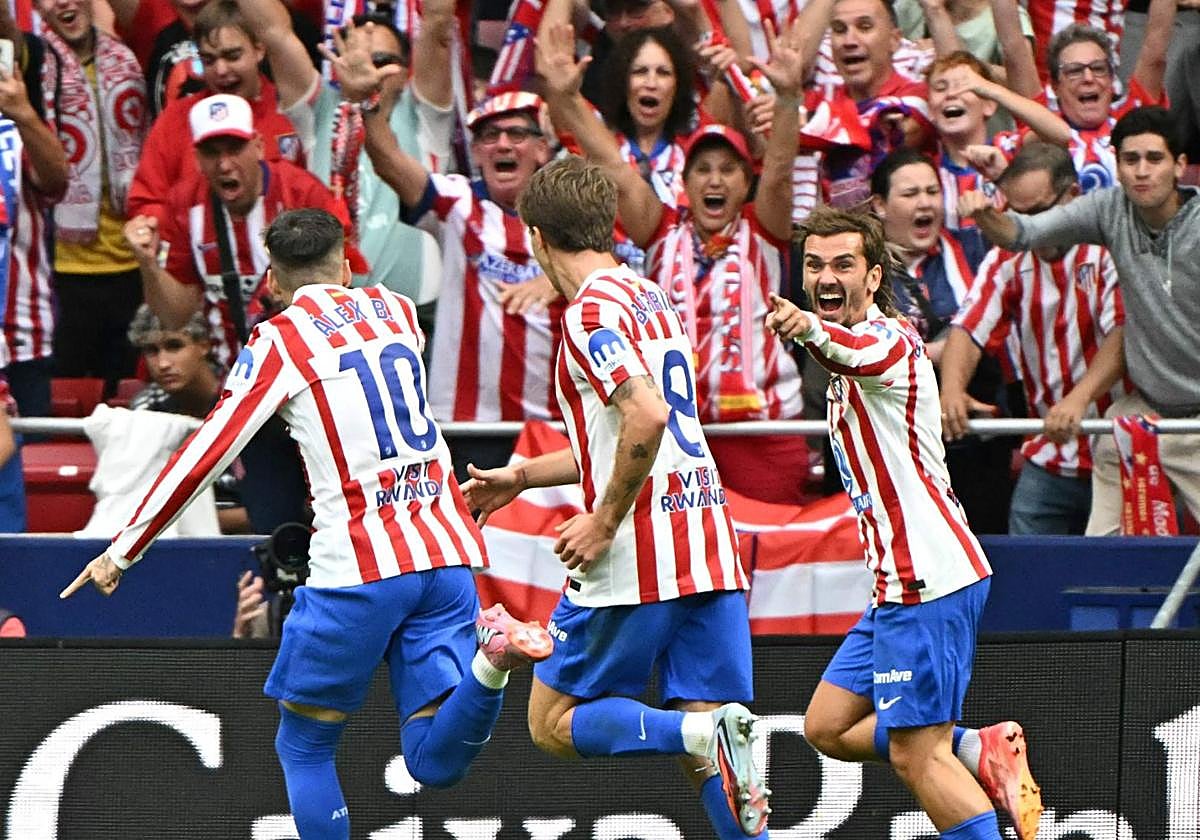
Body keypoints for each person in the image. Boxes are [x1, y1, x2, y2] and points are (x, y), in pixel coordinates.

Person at [60, 207, 555, 839]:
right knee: (432, 761)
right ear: (347, 266)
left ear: (270, 278)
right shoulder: (399, 312)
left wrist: (122, 550)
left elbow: (210, 448)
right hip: (446, 552)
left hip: (360, 565)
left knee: (305, 748)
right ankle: (491, 663)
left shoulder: (277, 340)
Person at [462, 155, 770, 839]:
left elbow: (645, 418)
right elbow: (622, 432)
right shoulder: (649, 295)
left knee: (550, 724)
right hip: (706, 539)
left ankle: (702, 734)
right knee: (716, 751)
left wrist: (602, 521)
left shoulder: (588, 314)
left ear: (538, 237)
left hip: (639, 549)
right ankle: (710, 735)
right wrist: (519, 478)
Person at [765, 206, 1042, 840]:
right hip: (898, 586)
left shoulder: (886, 341)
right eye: (814, 265)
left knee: (917, 755)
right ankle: (979, 748)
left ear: (872, 276)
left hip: (929, 579)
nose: (826, 276)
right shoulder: (846, 358)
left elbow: (845, 346)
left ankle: (962, 758)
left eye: (843, 264)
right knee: (827, 727)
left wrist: (806, 325)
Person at [539, 19, 809, 504]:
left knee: (775, 567)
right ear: (683, 182)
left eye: (729, 169)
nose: (715, 181)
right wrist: (567, 101)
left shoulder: (764, 228)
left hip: (762, 432)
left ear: (746, 183)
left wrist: (788, 101)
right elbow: (613, 169)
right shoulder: (661, 228)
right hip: (678, 431)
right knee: (680, 561)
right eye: (702, 169)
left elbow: (782, 172)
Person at [124, 92, 362, 533]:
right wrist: (146, 263)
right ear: (195, 157)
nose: (224, 163)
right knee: (274, 529)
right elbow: (176, 314)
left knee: (339, 521)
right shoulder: (185, 205)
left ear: (257, 145)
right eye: (211, 152)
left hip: (321, 390)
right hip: (253, 398)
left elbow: (350, 281)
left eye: (233, 148)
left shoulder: (301, 192)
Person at [959, 105, 1200, 535]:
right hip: (1145, 415)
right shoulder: (1109, 210)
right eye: (1130, 160)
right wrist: (984, 215)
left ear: (1180, 166)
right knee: (1106, 554)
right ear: (1117, 167)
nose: (1142, 172)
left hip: (1197, 424)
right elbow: (1023, 234)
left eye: (1154, 159)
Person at [942, 141, 1127, 535]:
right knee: (1032, 572)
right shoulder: (1007, 256)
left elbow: (1121, 339)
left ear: (1074, 196)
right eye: (1016, 214)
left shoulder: (1109, 250)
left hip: (1119, 448)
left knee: (1117, 579)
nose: (1028, 229)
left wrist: (1078, 400)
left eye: (1039, 214)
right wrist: (951, 391)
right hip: (1049, 453)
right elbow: (968, 328)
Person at [235, 0, 454, 315]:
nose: (367, 67)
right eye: (357, 57)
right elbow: (273, 32)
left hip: (417, 315)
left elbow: (437, 19)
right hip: (331, 314)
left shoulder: (426, 116)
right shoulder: (318, 108)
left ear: (407, 72)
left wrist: (367, 97)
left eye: (380, 59)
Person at [869, 148, 1013, 535]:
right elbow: (861, 347)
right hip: (894, 442)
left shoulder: (973, 247)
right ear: (880, 205)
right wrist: (944, 352)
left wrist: (1001, 181)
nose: (925, 202)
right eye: (911, 193)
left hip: (974, 439)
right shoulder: (858, 264)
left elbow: (999, 324)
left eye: (932, 192)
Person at [38, 0, 149, 398]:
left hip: (131, 261)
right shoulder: (33, 66)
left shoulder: (128, 58)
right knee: (65, 398)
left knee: (127, 397)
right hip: (64, 269)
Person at [126, 0, 303, 224]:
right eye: (208, 60)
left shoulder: (292, 112)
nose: (221, 70)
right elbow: (145, 203)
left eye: (232, 56)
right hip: (198, 253)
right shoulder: (177, 119)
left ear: (259, 49)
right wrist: (190, 228)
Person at [126, 304, 250, 535]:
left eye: (174, 346)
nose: (163, 363)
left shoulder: (243, 397)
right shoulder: (147, 406)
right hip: (172, 541)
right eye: (152, 351)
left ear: (204, 345)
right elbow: (136, 503)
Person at [0, 36, 69, 418]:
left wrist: (23, 113)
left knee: (25, 471)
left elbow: (57, 181)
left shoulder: (14, 129)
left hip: (21, 338)